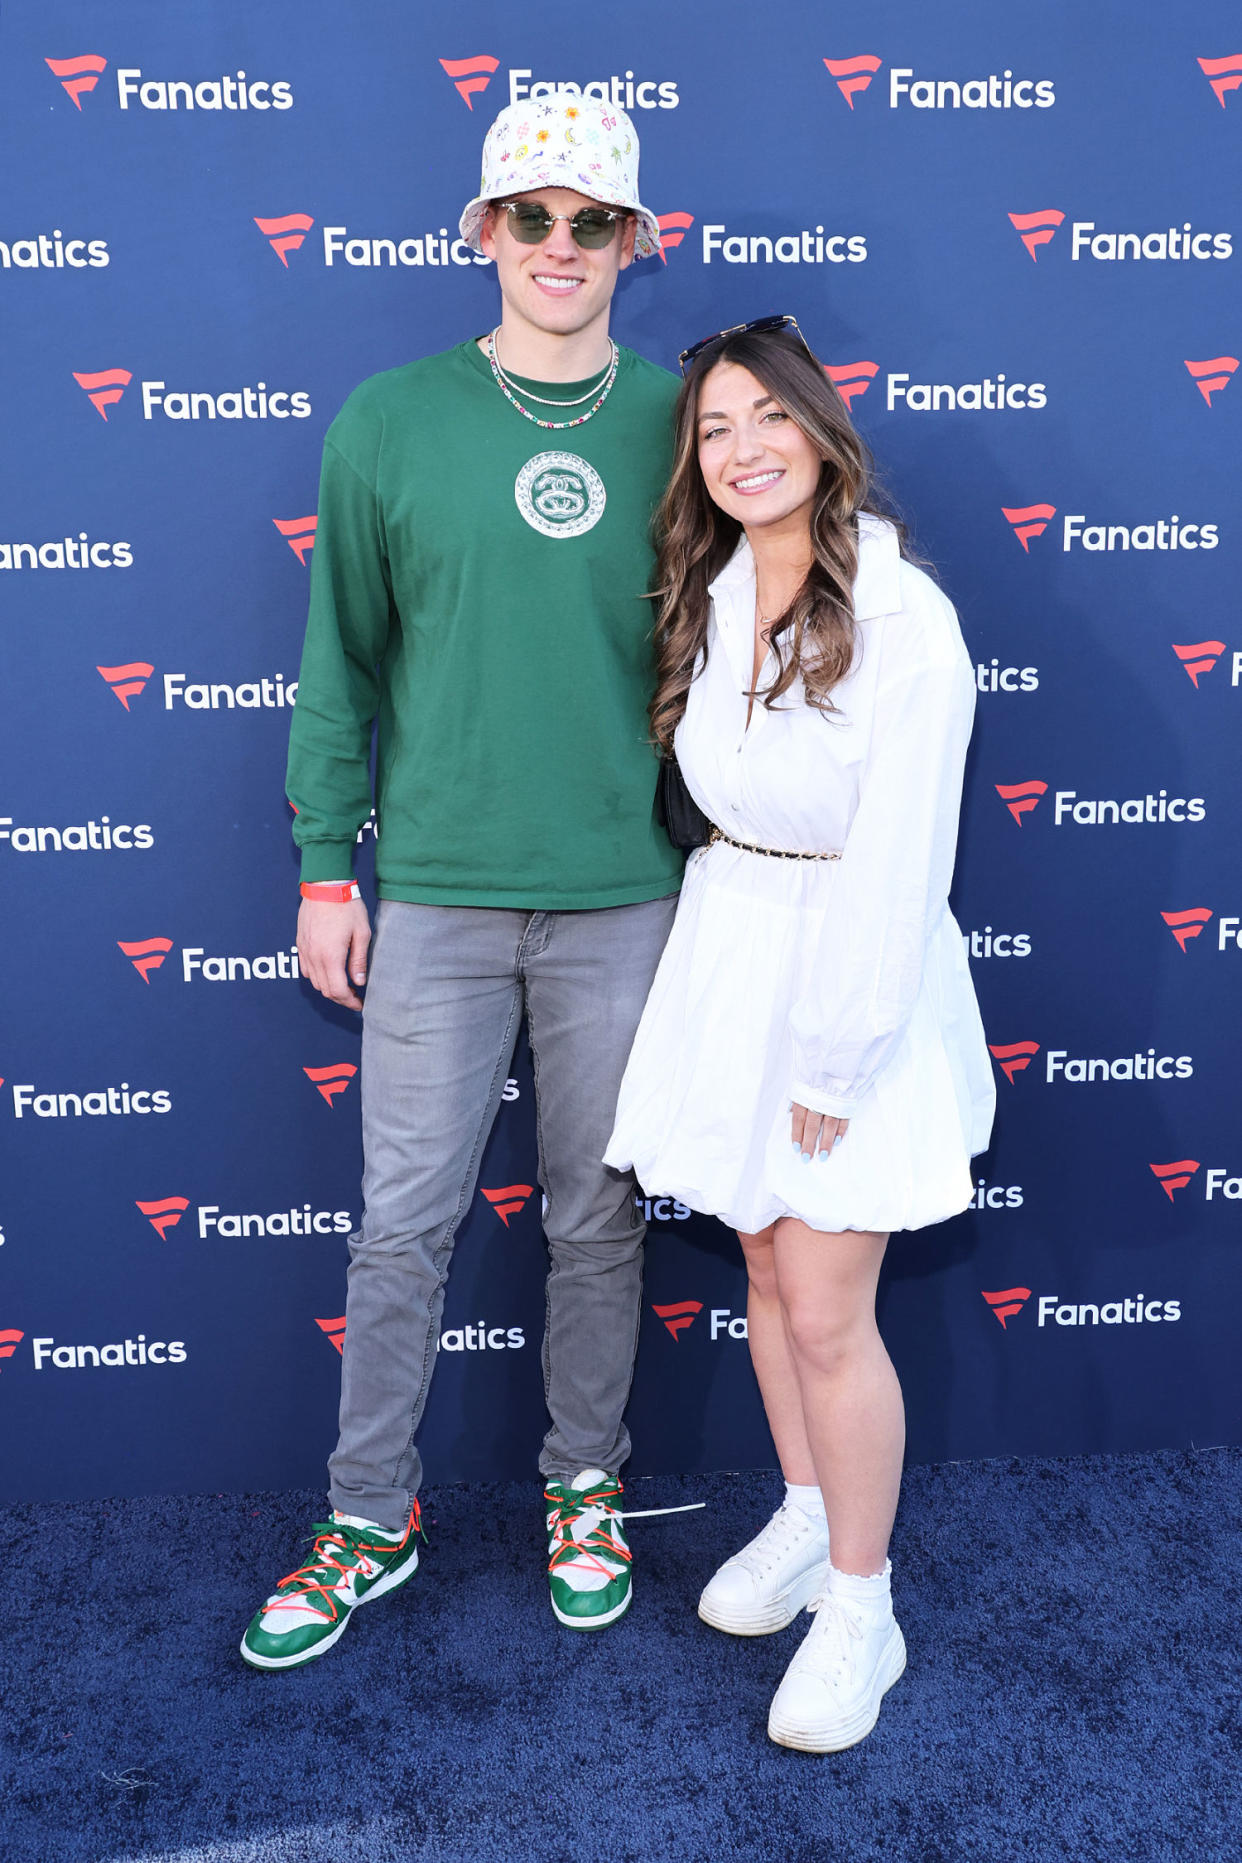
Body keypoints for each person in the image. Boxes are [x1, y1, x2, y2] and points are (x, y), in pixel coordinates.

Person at [240, 95, 684, 1671]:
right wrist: (321, 868)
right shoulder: (387, 420)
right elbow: (334, 664)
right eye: (532, 218)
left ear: (636, 243)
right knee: (401, 1228)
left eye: (593, 223)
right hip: (428, 892)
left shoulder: (692, 422)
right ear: (482, 232)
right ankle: (371, 1513)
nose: (560, 249)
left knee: (600, 1219)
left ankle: (584, 1489)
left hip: (630, 893)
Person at [605, 315, 995, 1750]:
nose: (742, 448)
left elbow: (897, 865)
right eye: (713, 428)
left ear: (822, 433)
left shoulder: (905, 621)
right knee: (768, 1277)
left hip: (848, 979)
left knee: (829, 1315)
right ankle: (805, 1514)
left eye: (767, 417)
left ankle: (860, 1605)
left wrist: (836, 1057)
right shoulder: (706, 596)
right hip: (734, 954)